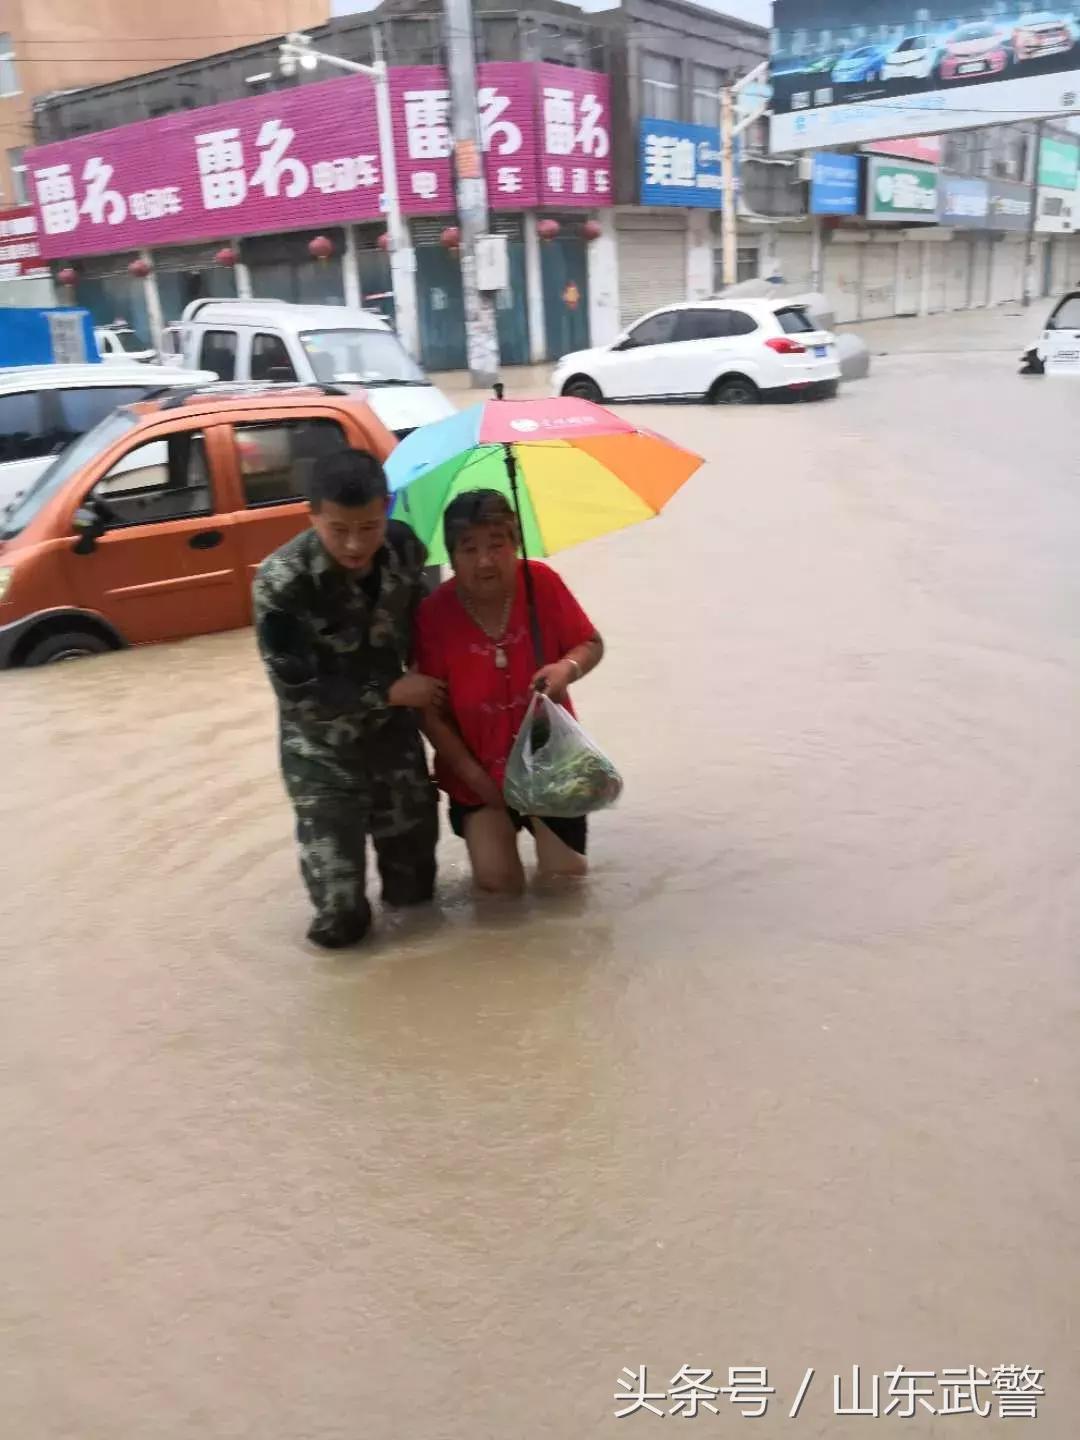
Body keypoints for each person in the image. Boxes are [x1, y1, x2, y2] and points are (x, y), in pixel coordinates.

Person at [252, 448, 443, 949]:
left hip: (395, 746)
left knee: (417, 898)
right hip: (322, 757)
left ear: (387, 508)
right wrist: (389, 689)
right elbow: (297, 693)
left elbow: (429, 627)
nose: (356, 544)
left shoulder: (405, 549)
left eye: (369, 526)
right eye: (339, 530)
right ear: (312, 515)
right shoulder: (282, 583)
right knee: (342, 922)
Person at [414, 488, 604, 895]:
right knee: (498, 887)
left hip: (551, 765)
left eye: (497, 545)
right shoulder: (433, 614)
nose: (485, 561)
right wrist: (475, 777)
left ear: (515, 545)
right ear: (450, 555)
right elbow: (430, 712)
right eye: (469, 549)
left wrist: (565, 668)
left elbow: (591, 643)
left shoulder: (543, 584)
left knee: (566, 880)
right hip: (476, 772)